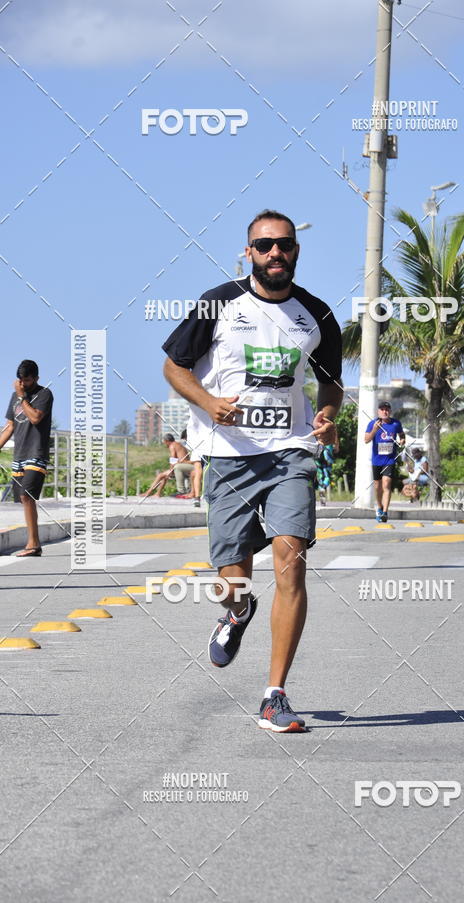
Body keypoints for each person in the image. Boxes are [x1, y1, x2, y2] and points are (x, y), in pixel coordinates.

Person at [162, 209, 343, 732]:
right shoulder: (219, 302)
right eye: (263, 246)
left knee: (292, 561)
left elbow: (330, 383)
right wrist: (208, 400)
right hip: (227, 453)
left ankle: (275, 694)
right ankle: (237, 613)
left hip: (290, 451)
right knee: (232, 578)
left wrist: (328, 416)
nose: (274, 254)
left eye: (283, 244)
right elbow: (174, 366)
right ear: (249, 253)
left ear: (296, 251)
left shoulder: (318, 315)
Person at [0, 360, 53, 556]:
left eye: (27, 380)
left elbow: (36, 418)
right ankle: (34, 544)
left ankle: (33, 544)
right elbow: (10, 426)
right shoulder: (15, 396)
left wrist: (23, 397)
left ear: (36, 378)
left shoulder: (44, 394)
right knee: (24, 499)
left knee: (26, 495)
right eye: (20, 381)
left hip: (36, 452)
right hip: (20, 455)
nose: (23, 384)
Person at [364, 401, 405, 522]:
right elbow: (366, 439)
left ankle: (385, 512)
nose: (384, 411)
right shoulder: (373, 423)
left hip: (389, 460)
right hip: (377, 460)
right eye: (382, 409)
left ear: (390, 411)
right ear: (378, 411)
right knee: (378, 487)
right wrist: (375, 430)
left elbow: (402, 435)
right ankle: (380, 507)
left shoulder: (395, 423)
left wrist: (402, 440)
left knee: (386, 484)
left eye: (387, 409)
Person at [142, 433, 188, 497]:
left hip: (181, 468)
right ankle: (158, 493)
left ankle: (148, 492)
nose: (164, 444)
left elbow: (173, 459)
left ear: (167, 441)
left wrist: (171, 470)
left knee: (160, 475)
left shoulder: (172, 445)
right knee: (164, 476)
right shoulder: (178, 445)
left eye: (164, 442)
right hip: (185, 466)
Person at [315, 437, 339, 505]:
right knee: (326, 475)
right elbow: (334, 433)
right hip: (326, 450)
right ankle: (322, 488)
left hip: (319, 450)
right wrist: (336, 445)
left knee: (321, 475)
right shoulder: (330, 426)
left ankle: (321, 489)